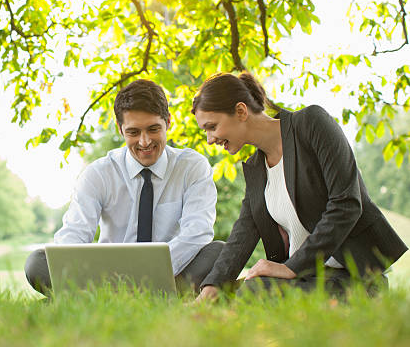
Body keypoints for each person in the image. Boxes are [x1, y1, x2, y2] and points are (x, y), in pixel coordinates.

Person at [192, 72, 407, 301]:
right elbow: (243, 233)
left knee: (253, 292)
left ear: (241, 111)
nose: (209, 139)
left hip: (353, 277)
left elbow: (346, 203)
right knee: (232, 292)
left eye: (212, 126)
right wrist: (212, 287)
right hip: (308, 280)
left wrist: (291, 267)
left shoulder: (311, 124)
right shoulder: (256, 168)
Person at [24, 79, 223, 295]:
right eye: (134, 132)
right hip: (108, 276)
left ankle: (104, 299)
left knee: (220, 252)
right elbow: (74, 235)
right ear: (120, 129)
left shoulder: (192, 167)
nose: (145, 142)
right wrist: (72, 266)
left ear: (168, 122)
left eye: (153, 129)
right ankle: (141, 297)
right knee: (37, 262)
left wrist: (152, 274)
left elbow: (197, 232)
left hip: (171, 275)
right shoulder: (98, 174)